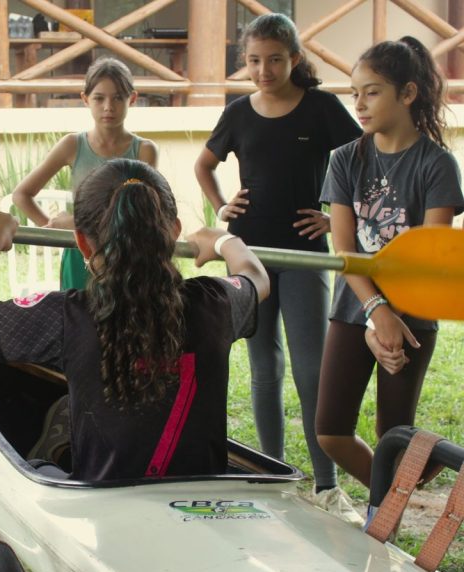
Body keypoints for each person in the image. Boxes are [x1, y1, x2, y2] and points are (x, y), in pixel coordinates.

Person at [0, 159, 269, 482]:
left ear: (82, 242)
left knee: (36, 466)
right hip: (203, 502)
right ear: (174, 232)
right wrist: (224, 241)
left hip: (101, 502)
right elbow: (256, 277)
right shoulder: (215, 303)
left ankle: (59, 443)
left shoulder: (65, 315)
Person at [193, 13, 361, 509]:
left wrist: (334, 218)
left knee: (311, 372)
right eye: (253, 61)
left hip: (305, 257)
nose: (263, 70)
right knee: (263, 368)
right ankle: (272, 476)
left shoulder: (321, 108)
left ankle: (327, 485)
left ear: (294, 59)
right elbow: (204, 164)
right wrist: (222, 207)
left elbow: (364, 161)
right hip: (250, 257)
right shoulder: (237, 113)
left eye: (274, 60)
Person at [316, 37, 464, 495]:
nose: (359, 104)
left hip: (412, 313)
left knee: (393, 439)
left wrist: (390, 318)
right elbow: (344, 249)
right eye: (354, 93)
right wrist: (375, 315)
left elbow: (426, 257)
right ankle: (395, 497)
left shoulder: (437, 165)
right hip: (354, 306)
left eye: (372, 92)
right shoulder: (345, 159)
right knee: (330, 432)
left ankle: (388, 510)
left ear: (408, 93)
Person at [12, 57, 158, 290]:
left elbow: (143, 214)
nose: (108, 107)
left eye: (118, 97)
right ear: (85, 99)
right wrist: (54, 227)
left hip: (127, 253)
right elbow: (22, 194)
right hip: (80, 253)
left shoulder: (144, 151)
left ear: (132, 99)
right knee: (77, 312)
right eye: (99, 98)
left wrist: (75, 222)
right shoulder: (72, 145)